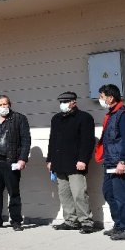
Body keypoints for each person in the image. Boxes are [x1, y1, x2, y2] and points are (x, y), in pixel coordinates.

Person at [46, 91, 96, 233]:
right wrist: (50, 159)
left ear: (74, 102)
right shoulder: (56, 118)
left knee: (79, 193)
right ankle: (70, 221)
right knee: (64, 194)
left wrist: (83, 160)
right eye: (61, 102)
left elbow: (87, 141)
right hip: (59, 163)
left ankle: (86, 222)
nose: (63, 104)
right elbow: (52, 141)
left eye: (66, 101)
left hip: (76, 163)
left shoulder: (84, 118)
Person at [0, 95, 30, 231]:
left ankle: (16, 221)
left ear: (10, 104)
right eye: (0, 105)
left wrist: (22, 159)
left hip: (11, 161)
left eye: (5, 104)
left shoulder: (19, 118)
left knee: (13, 192)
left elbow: (26, 141)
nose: (3, 107)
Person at [95, 84, 125, 240]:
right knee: (109, 193)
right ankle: (119, 225)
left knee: (121, 196)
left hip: (118, 162)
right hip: (109, 161)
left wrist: (123, 161)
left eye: (102, 96)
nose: (101, 99)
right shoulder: (112, 114)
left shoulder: (123, 114)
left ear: (110, 98)